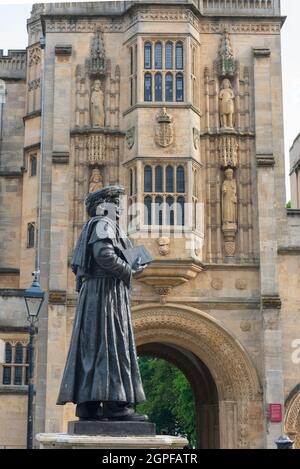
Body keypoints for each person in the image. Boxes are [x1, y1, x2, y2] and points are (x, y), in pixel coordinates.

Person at [57, 186, 148, 421]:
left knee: (94, 345)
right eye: (116, 203)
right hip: (106, 292)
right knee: (111, 343)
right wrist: (129, 270)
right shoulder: (103, 224)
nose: (119, 208)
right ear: (104, 205)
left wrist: (136, 261)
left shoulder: (101, 225)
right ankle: (116, 407)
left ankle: (88, 406)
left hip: (97, 293)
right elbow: (104, 255)